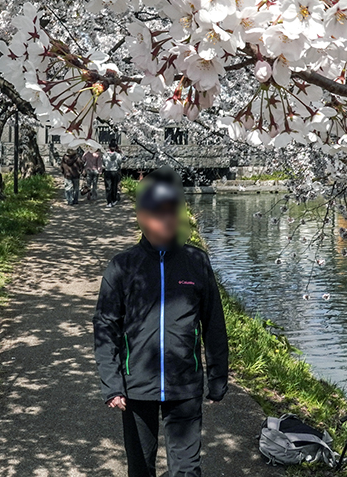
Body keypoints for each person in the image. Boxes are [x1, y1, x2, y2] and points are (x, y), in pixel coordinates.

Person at [93, 168, 228, 477]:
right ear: (142, 217)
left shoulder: (196, 261)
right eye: (158, 213)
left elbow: (213, 323)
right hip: (136, 386)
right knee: (141, 468)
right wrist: (112, 384)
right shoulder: (122, 266)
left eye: (171, 212)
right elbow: (105, 327)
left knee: (187, 470)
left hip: (185, 384)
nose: (166, 220)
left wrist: (218, 376)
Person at [102, 142, 124, 207]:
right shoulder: (118, 155)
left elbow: (103, 162)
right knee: (114, 186)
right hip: (115, 171)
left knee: (108, 187)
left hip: (107, 171)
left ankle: (109, 202)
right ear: (115, 147)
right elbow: (119, 162)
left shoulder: (105, 155)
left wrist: (107, 165)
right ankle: (114, 200)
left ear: (109, 147)